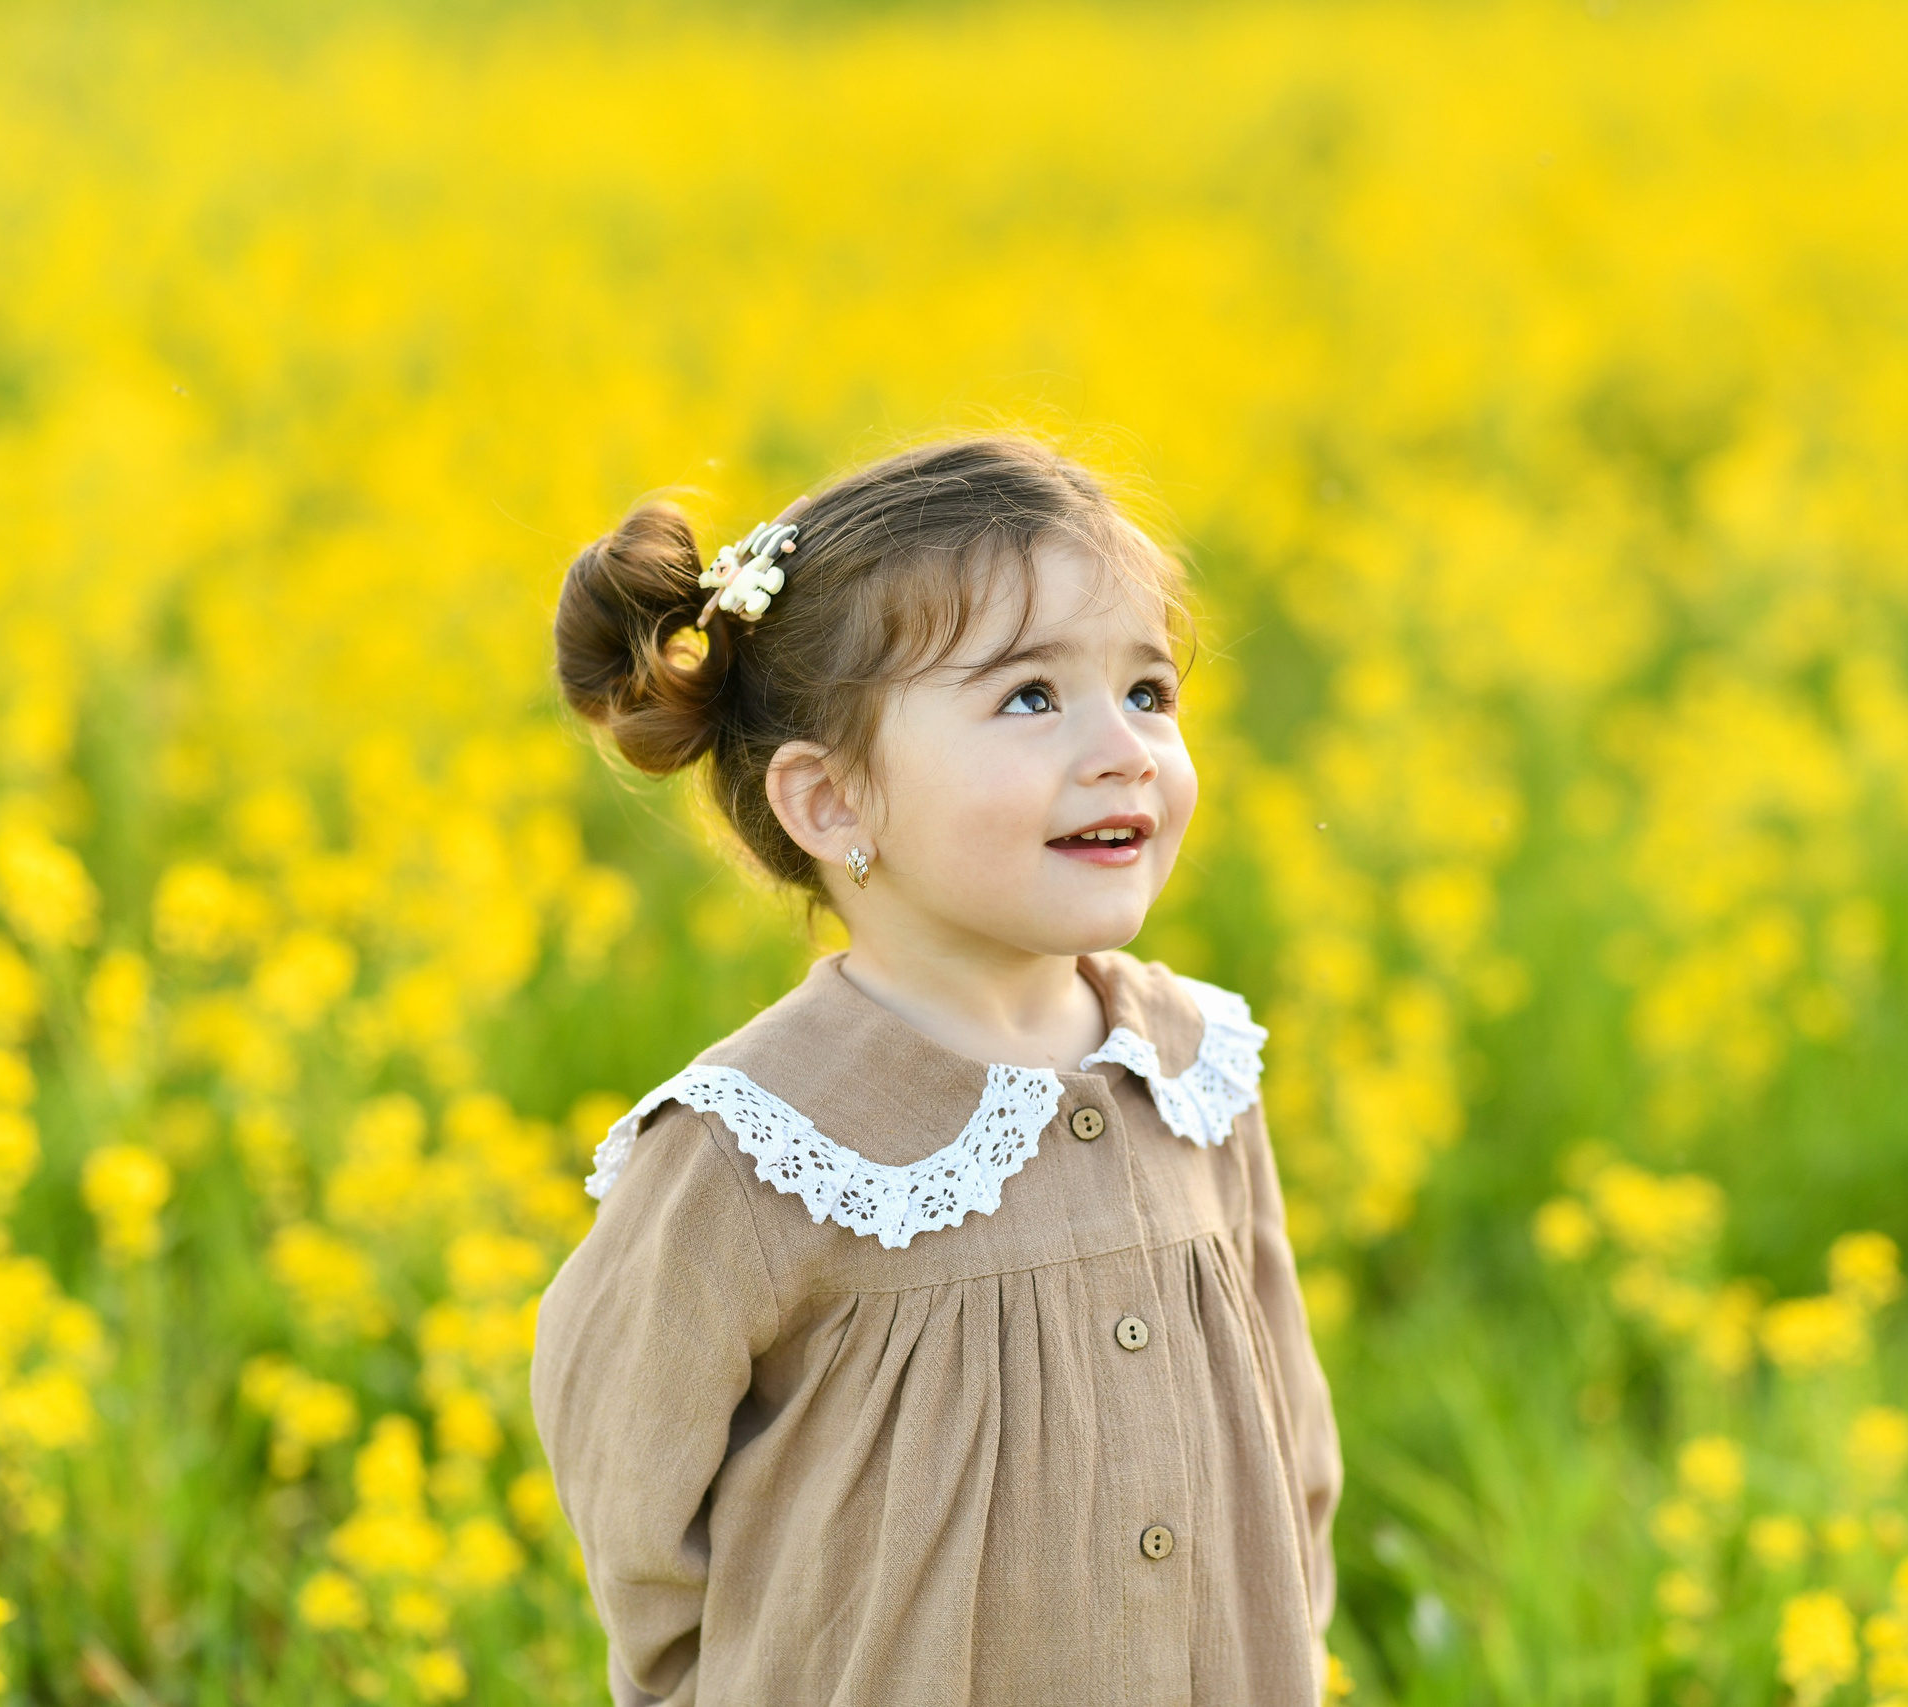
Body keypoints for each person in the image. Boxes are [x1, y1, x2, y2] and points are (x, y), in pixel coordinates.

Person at [532, 435, 1341, 1707]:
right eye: (1030, 697)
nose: (1125, 748)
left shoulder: (1191, 1068)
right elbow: (633, 1489)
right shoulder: (756, 1145)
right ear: (834, 805)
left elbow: (1288, 1440)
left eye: (1147, 692)